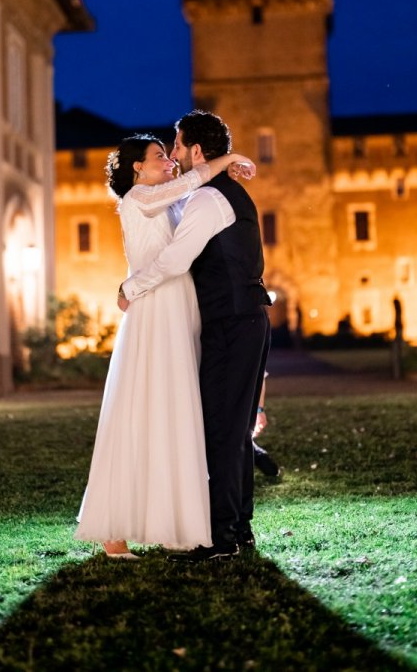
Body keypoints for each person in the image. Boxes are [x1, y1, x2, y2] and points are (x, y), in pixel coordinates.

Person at [74, 133, 255, 558]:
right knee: (144, 409)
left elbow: (191, 203)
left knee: (173, 412)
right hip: (155, 309)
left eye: (169, 152)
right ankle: (114, 530)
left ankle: (167, 522)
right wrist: (229, 157)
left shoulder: (168, 200)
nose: (168, 160)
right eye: (159, 156)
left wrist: (225, 168)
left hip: (179, 307)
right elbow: (192, 181)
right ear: (137, 167)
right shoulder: (139, 197)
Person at [120, 110, 271, 561]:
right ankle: (238, 531)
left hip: (231, 323)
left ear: (198, 152)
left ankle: (223, 538)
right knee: (236, 431)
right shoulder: (220, 193)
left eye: (179, 145)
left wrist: (130, 288)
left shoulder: (207, 201)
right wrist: (229, 164)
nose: (175, 154)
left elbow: (175, 260)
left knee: (223, 431)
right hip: (246, 318)